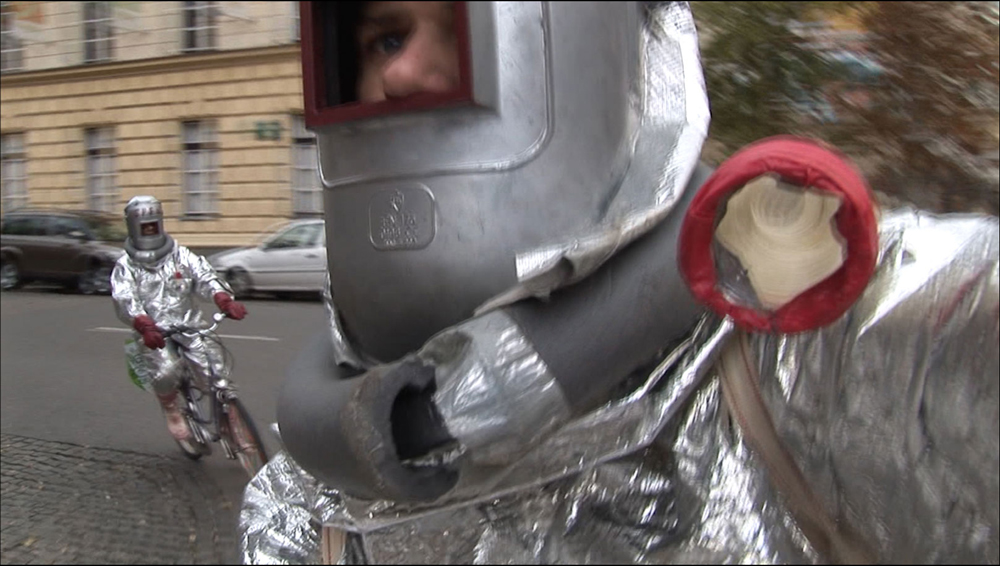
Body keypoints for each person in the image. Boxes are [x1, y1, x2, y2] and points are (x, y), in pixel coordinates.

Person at [241, 2, 999, 564]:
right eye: (386, 38)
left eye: (459, 31)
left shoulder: (797, 342)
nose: (404, 73)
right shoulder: (306, 503)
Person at [111, 195, 247, 442]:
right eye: (144, 227)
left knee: (215, 371)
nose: (150, 231)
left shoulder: (180, 255)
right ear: (133, 227)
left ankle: (227, 416)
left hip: (189, 325)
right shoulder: (126, 265)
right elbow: (125, 297)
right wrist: (143, 324)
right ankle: (171, 409)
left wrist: (223, 299)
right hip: (154, 334)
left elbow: (204, 275)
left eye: (153, 225)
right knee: (165, 372)